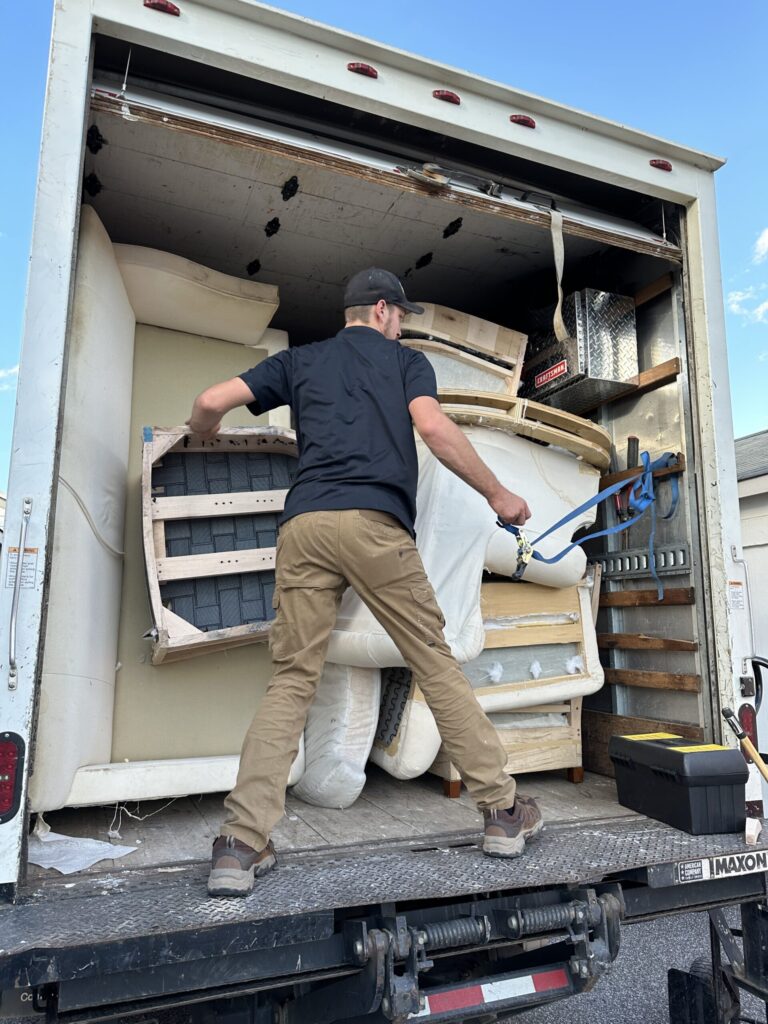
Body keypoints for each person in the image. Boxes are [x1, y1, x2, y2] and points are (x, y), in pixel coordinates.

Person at [186, 268, 543, 898]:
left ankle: (240, 845)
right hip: (375, 526)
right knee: (433, 661)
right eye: (400, 316)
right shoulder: (407, 365)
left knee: (293, 677)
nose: (400, 325)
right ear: (381, 310)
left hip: (304, 527)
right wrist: (499, 495)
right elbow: (432, 429)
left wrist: (202, 433)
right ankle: (502, 813)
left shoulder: (300, 362)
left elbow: (212, 400)